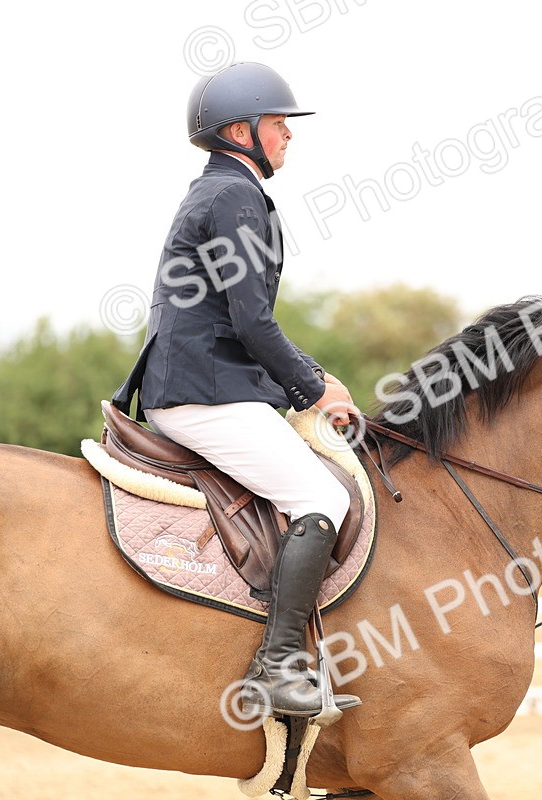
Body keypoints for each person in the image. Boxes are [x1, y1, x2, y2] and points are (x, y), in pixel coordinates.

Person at [112, 62, 361, 719]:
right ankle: (278, 668)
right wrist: (312, 389)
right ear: (241, 130)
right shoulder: (233, 196)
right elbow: (252, 322)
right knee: (320, 496)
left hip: (208, 382)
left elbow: (244, 318)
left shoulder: (225, 191)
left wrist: (315, 374)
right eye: (279, 124)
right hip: (205, 392)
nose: (288, 136)